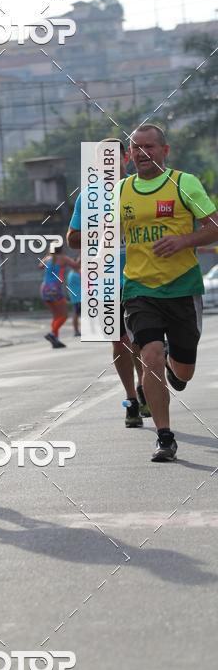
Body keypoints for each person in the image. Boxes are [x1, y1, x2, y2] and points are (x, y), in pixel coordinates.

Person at [119, 124, 218, 461]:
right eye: (135, 148)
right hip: (138, 288)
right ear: (129, 154)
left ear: (165, 150)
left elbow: (214, 227)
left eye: (148, 146)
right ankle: (164, 436)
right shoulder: (121, 190)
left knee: (184, 371)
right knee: (150, 356)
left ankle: (177, 371)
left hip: (181, 288)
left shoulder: (184, 183)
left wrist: (184, 240)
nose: (141, 153)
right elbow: (97, 236)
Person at [67, 138, 146, 427]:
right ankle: (131, 400)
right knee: (120, 340)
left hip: (142, 274)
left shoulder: (140, 187)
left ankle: (143, 384)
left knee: (142, 339)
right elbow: (72, 239)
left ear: (126, 157)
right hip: (105, 279)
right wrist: (99, 230)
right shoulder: (87, 197)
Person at [39, 245, 79, 348]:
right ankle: (52, 334)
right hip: (55, 289)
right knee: (64, 315)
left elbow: (40, 266)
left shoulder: (47, 258)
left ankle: (55, 340)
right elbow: (75, 266)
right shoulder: (63, 258)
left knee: (56, 316)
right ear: (61, 249)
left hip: (44, 288)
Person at [65, 261, 81, 336]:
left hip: (77, 297)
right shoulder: (75, 274)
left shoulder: (73, 274)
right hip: (78, 297)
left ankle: (77, 330)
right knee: (76, 314)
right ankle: (76, 330)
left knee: (77, 314)